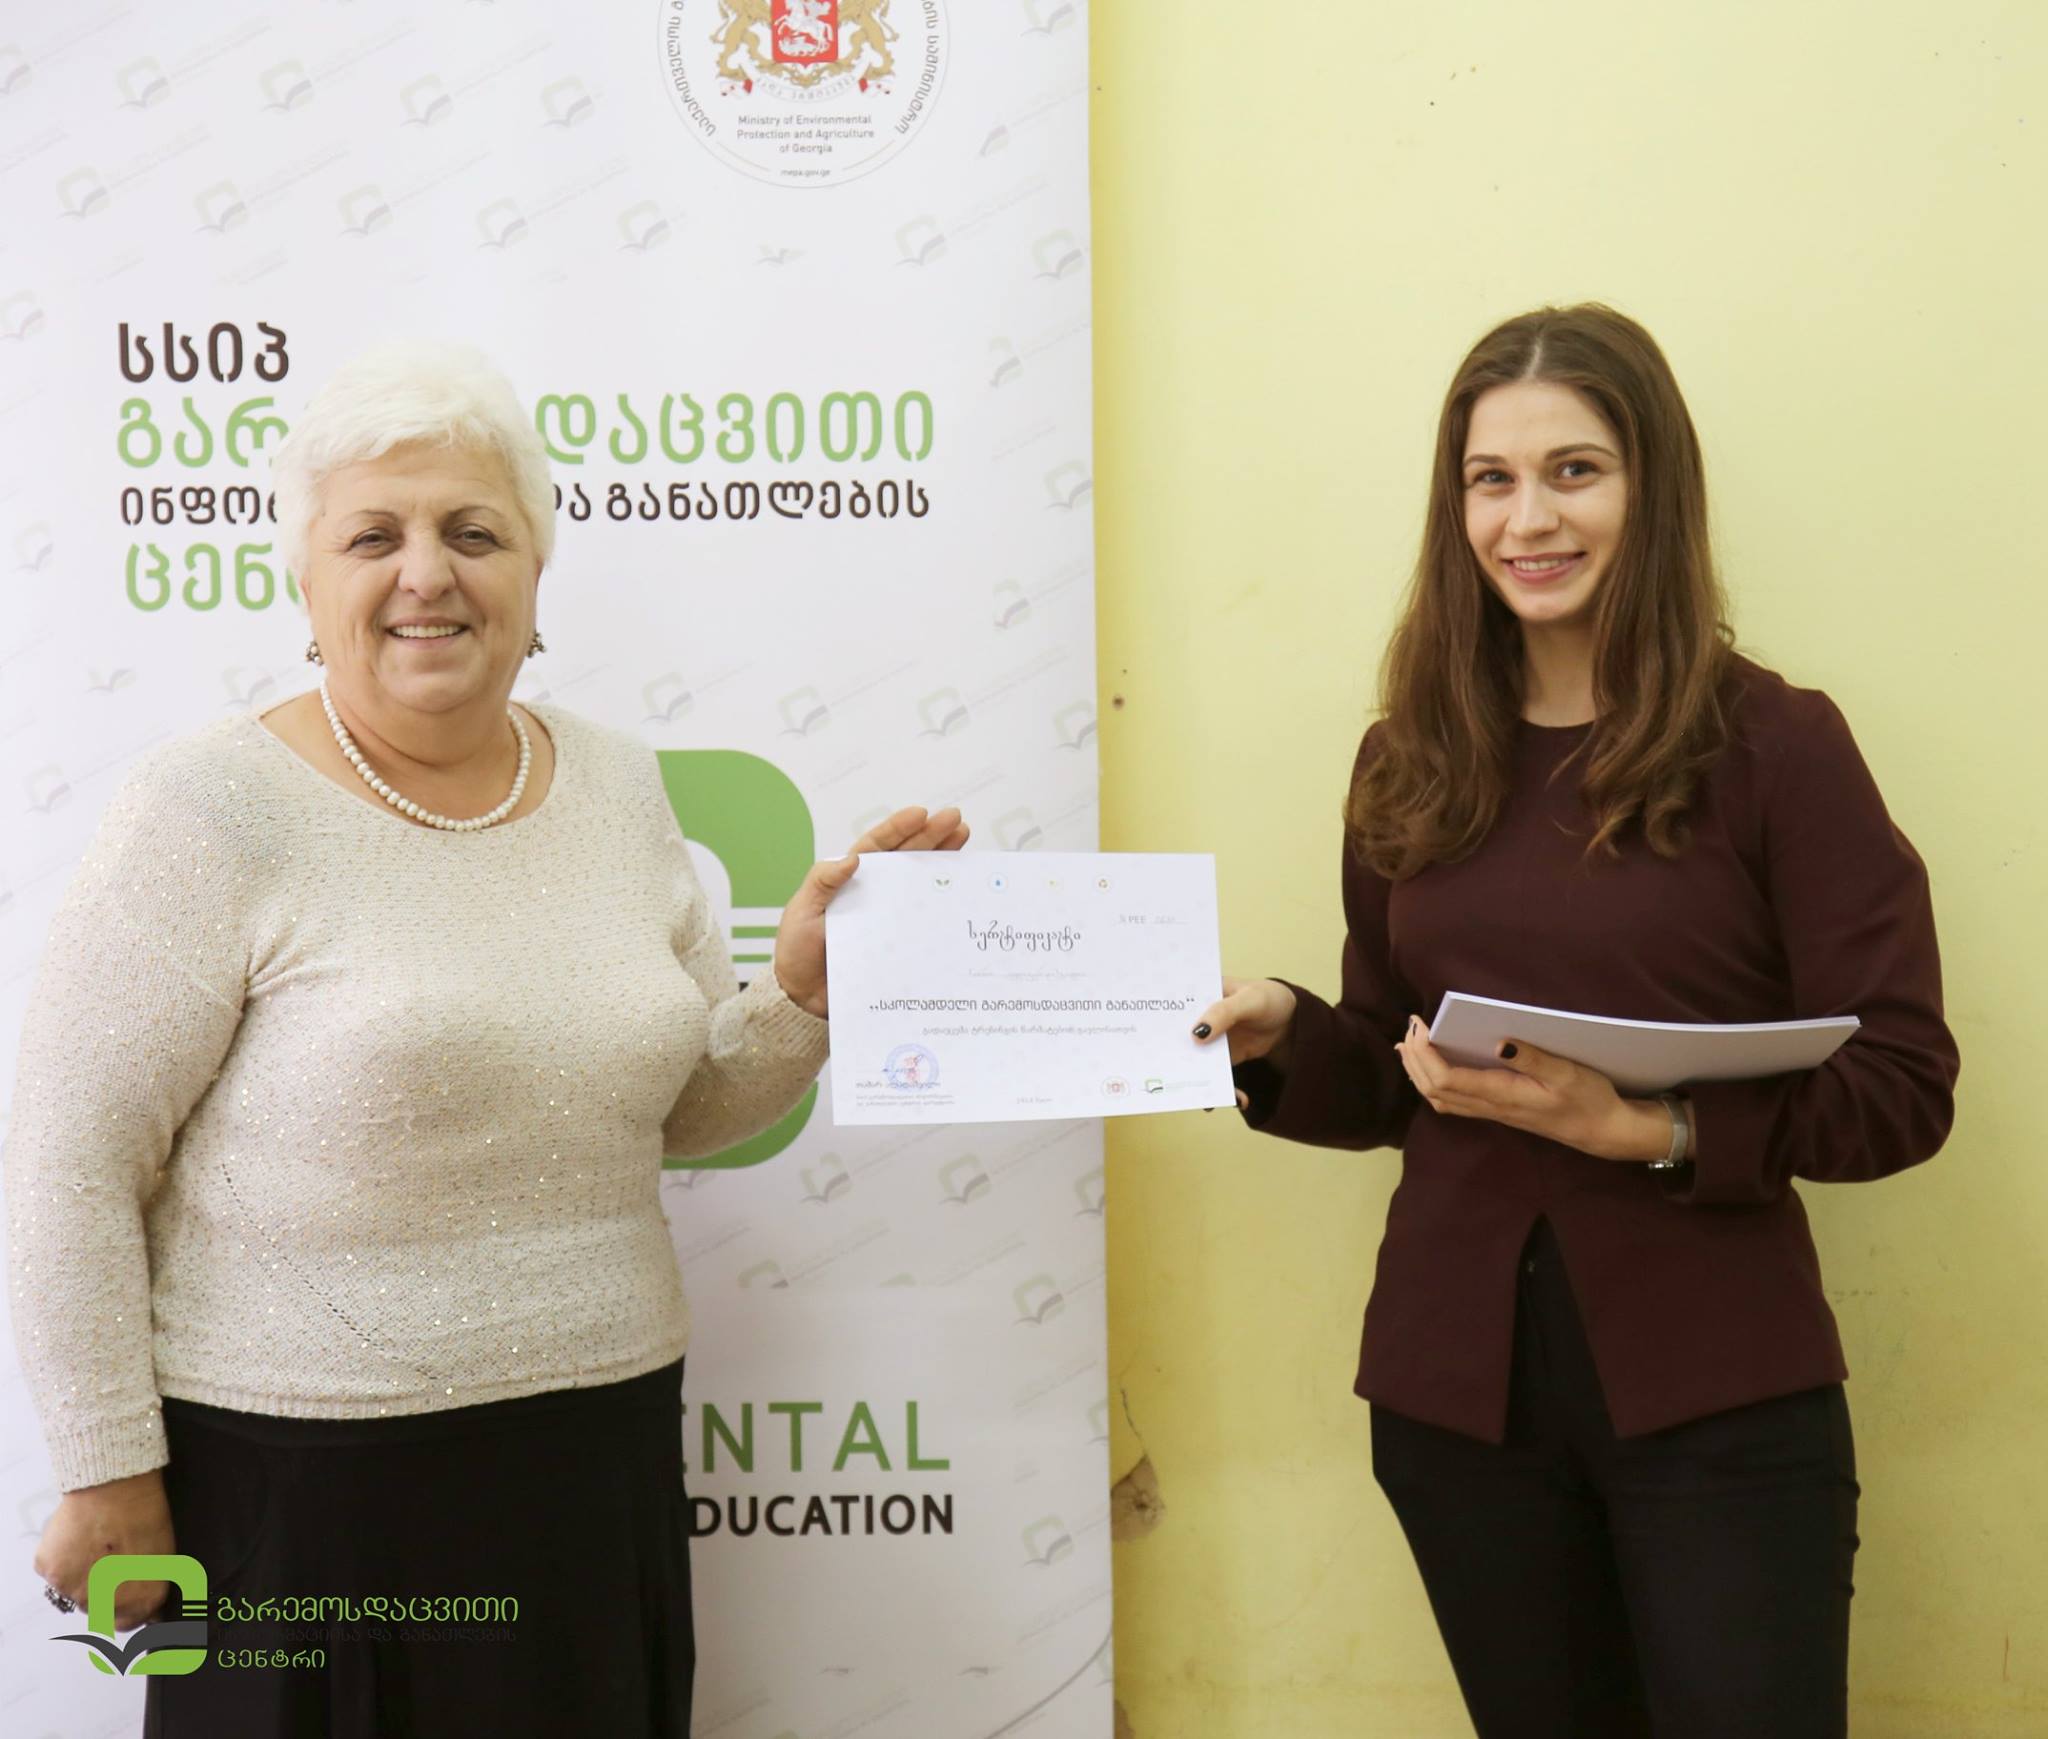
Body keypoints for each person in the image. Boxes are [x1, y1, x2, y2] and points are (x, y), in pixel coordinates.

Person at [5, 341, 968, 1736]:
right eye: (373, 538)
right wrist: (106, 1469)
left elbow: (680, 1110)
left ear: (535, 572)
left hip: (593, 1461)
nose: (427, 575)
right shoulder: (207, 808)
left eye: (473, 533)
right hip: (297, 1493)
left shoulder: (619, 785)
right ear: (304, 580)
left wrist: (805, 996)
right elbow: (65, 1162)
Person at [1191, 303, 1958, 1739]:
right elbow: (1394, 1071)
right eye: (1491, 480)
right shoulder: (1407, 757)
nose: (1528, 519)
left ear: (1652, 488)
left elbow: (1906, 1087)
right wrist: (1288, 1035)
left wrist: (1649, 1128)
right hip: (1456, 1402)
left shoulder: (1778, 747)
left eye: (1575, 471)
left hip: (1719, 1391)